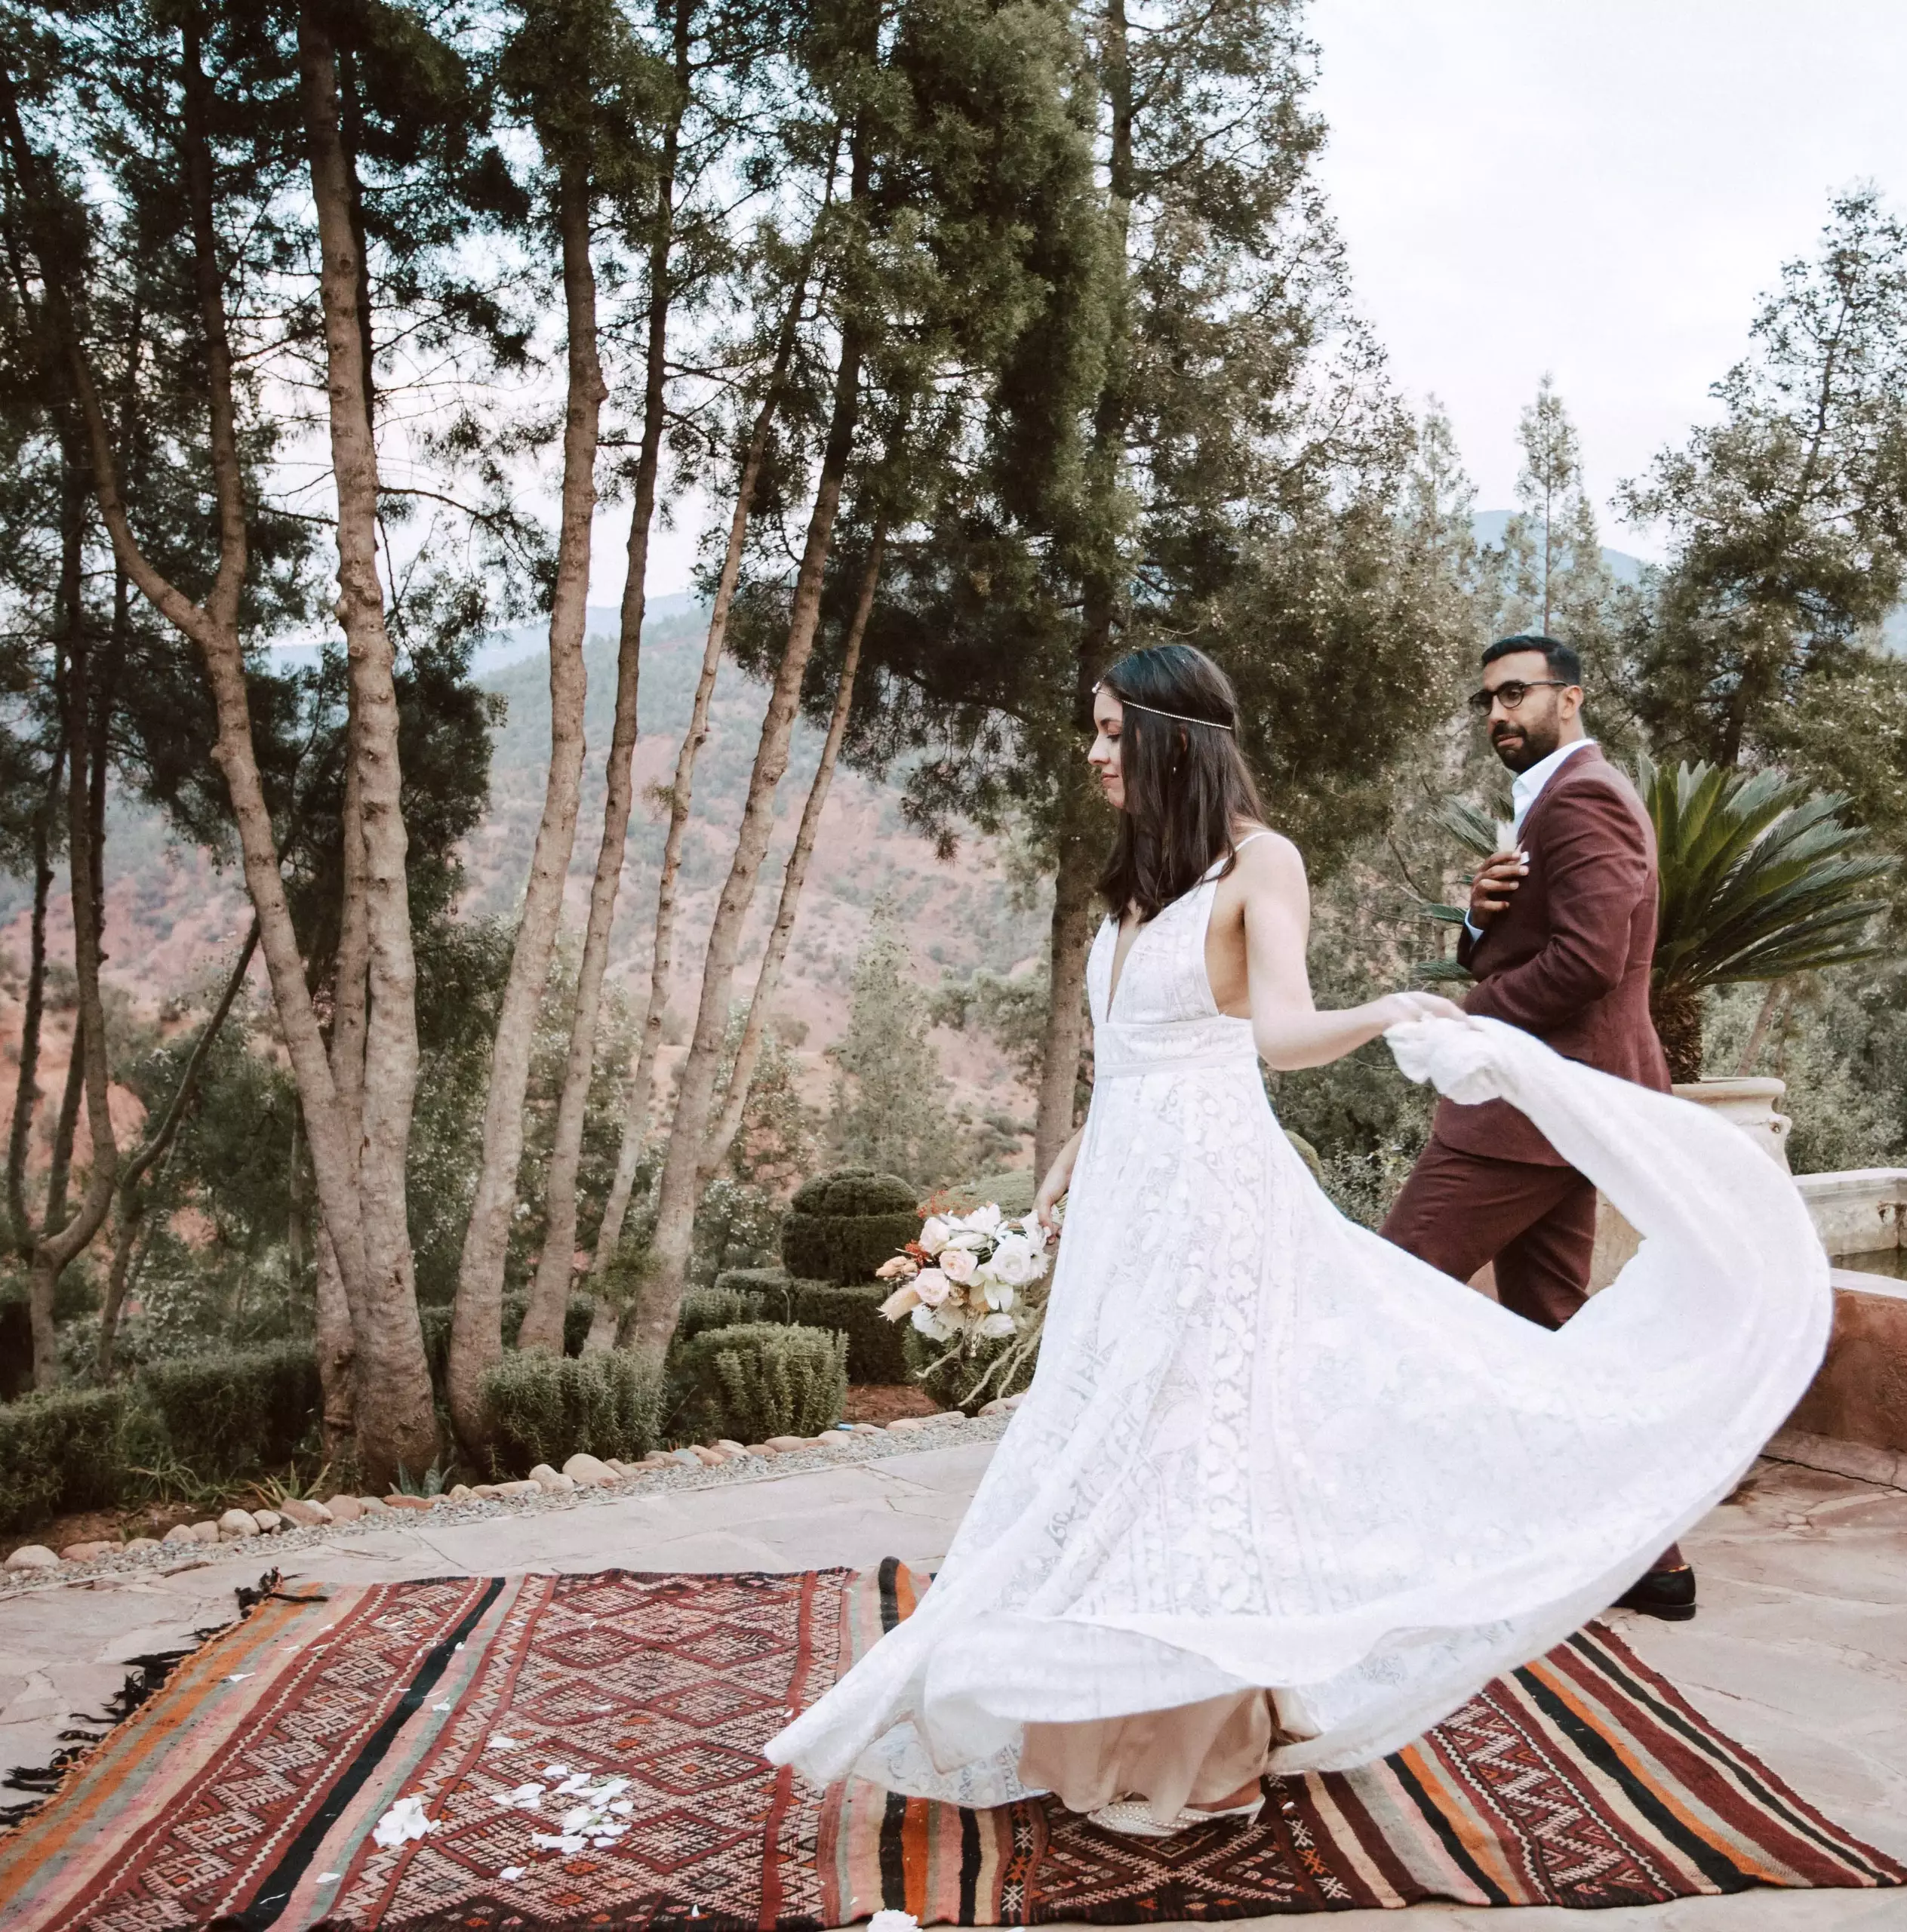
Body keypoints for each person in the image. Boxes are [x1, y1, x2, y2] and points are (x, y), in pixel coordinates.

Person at [764, 642, 1829, 1841]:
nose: (1095, 753)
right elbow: (1128, 1050)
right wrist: (1070, 1159)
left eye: (1113, 732)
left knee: (1194, 1438)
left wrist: (1385, 1012)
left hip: (1215, 1195)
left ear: (1175, 738)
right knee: (1113, 1441)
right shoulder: (1140, 880)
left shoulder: (1260, 862)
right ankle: (1108, 1708)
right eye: (1094, 731)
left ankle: (1208, 1718)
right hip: (1128, 1192)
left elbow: (1277, 1034)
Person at [1378, 632, 1697, 1622]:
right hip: (1566, 1107)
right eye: (1486, 702)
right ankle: (1652, 1560)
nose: (1497, 716)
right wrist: (1476, 918)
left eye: (1515, 695)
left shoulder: (1587, 797)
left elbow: (1593, 960)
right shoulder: (1548, 803)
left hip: (1528, 1112)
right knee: (1551, 1324)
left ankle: (1375, 1535)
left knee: (1391, 1293)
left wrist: (1467, 1018)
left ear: (1572, 699)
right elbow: (1532, 939)